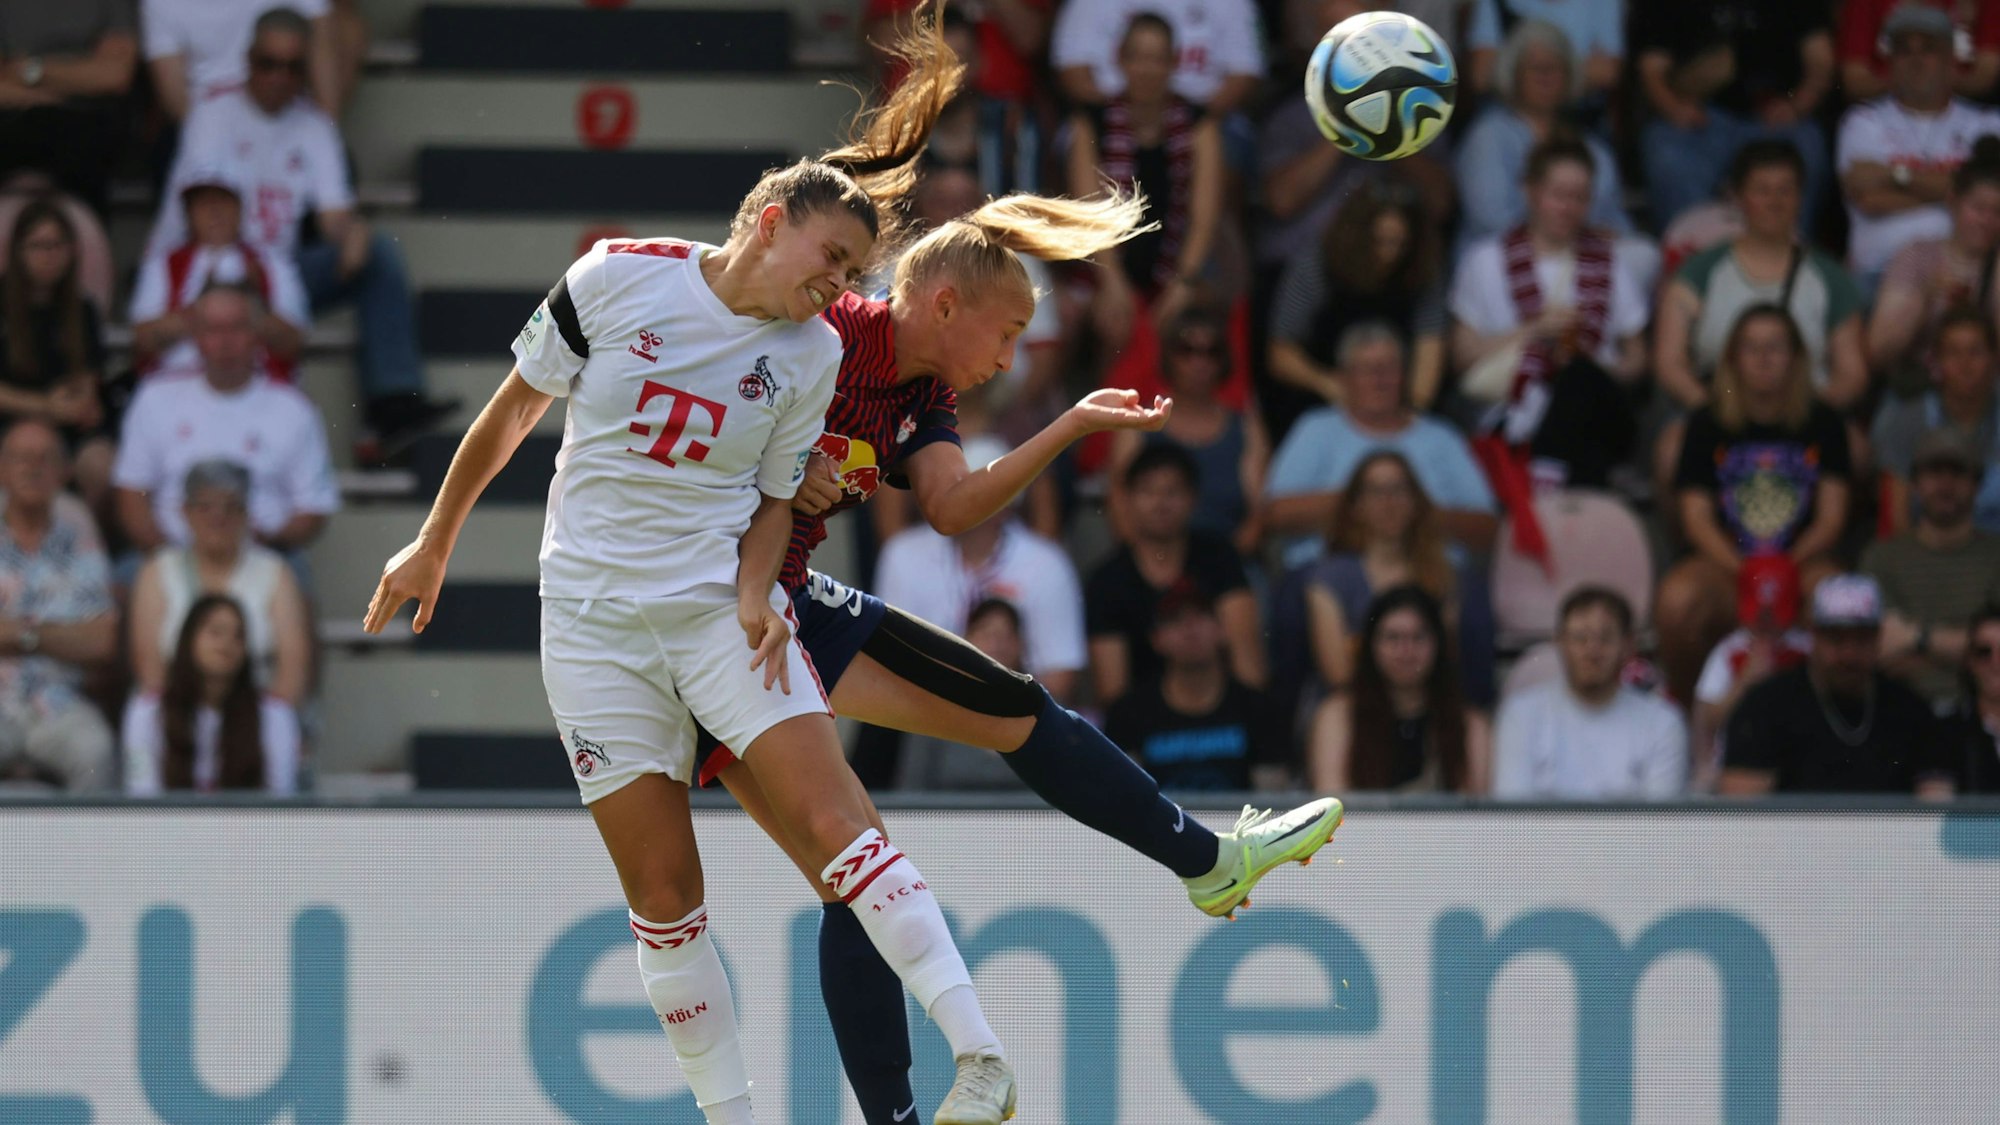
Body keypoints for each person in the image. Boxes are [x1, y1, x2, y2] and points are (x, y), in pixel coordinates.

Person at [365, 20, 1028, 1115]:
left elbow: (772, 503)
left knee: (839, 825)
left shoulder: (811, 357)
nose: (837, 287)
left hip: (720, 615)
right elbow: (511, 409)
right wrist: (434, 538)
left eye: (854, 274)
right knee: (665, 899)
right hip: (587, 629)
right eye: (829, 261)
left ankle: (981, 1058)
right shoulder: (616, 279)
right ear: (769, 225)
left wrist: (751, 595)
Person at [689, 191, 1342, 1122]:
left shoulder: (923, 394)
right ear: (946, 305)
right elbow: (720, 398)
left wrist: (1072, 424)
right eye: (1009, 333)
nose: (1011, 358)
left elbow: (951, 506)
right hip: (717, 609)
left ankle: (1203, 861)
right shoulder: (823, 326)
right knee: (859, 866)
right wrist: (778, 469)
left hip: (780, 600)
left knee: (902, 828)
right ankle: (1205, 861)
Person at [154, 8, 453, 460]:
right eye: (268, 63)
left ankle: (393, 405)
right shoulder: (213, 115)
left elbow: (334, 215)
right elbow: (201, 221)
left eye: (293, 66)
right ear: (249, 59)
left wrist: (353, 229)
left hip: (279, 275)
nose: (279, 76)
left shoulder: (313, 126)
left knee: (377, 251)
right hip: (206, 272)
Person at [1656, 304, 1853, 705]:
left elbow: (1832, 519)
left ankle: (1830, 717)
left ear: (1796, 358)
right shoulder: (1706, 423)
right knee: (1678, 601)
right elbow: (1696, 520)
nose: (1763, 359)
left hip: (1802, 562)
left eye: (1775, 347)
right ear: (1733, 359)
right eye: (1751, 348)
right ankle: (1692, 713)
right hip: (1727, 564)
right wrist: (1749, 572)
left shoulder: (1825, 421)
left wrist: (1782, 568)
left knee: (1837, 603)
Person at [1450, 135, 1651, 489]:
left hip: (1598, 411)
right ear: (1530, 191)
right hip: (1513, 409)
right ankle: (1552, 477)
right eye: (1558, 195)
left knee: (1576, 378)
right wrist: (1532, 332)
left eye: (1580, 198)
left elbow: (1637, 359)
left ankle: (1544, 478)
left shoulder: (1610, 262)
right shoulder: (1485, 261)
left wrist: (1594, 367)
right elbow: (1462, 357)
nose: (1568, 208)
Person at [113, 284, 339, 554]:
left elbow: (313, 509)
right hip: (166, 557)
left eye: (237, 328)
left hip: (266, 559)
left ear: (257, 335)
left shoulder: (295, 409)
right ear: (195, 336)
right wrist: (174, 563)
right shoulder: (154, 399)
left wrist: (259, 551)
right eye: (213, 329)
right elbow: (131, 495)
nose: (225, 341)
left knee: (297, 594)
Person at [1654, 140, 1871, 416]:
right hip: (1719, 410)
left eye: (1785, 191)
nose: (1774, 202)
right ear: (1739, 197)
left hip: (1804, 415)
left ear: (1800, 198)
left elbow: (1851, 373)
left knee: (1856, 450)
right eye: (1762, 191)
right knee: (1671, 450)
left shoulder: (1831, 278)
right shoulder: (1699, 272)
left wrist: (1809, 415)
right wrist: (1710, 410)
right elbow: (1669, 361)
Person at [1264, 322, 1499, 567]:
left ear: (1404, 375)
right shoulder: (1315, 429)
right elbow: (1275, 515)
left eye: (1388, 368)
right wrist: (1360, 502)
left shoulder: (1442, 437)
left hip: (1431, 580)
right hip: (1333, 576)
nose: (1379, 379)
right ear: (1344, 377)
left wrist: (1420, 513)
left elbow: (1489, 529)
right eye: (1367, 369)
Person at [874, 436, 1088, 704]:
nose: (965, 501)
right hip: (924, 716)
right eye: (959, 491)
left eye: (980, 492)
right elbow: (890, 661)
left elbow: (1061, 677)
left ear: (1008, 503)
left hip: (1017, 714)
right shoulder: (902, 555)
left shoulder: (1046, 563)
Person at [1068, 12, 1225, 356]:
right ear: (1120, 60)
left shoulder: (1200, 126)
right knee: (1106, 318)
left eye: (1157, 58)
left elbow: (1203, 218)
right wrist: (1113, 284)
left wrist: (1182, 284)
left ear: (1173, 63)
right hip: (1106, 265)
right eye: (1137, 57)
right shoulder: (1091, 122)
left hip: (1179, 267)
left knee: (1193, 321)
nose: (1146, 69)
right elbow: (1088, 215)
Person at [1296, 450, 1498, 709]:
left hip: (1426, 708)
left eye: (1399, 489)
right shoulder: (1329, 577)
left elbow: (1445, 665)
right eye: (1376, 491)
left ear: (1416, 503)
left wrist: (1361, 648)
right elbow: (1339, 675)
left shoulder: (1445, 575)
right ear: (1356, 506)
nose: (1388, 501)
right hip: (1355, 710)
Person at [1721, 574, 1957, 795]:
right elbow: (1743, 815)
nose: (1849, 654)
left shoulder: (1909, 709)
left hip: (1888, 839)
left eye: (1861, 639)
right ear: (1813, 636)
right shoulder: (1766, 706)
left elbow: (1936, 805)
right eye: (1836, 638)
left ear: (1877, 638)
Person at [1632, 0, 1834, 233]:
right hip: (1701, 118)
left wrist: (1797, 105)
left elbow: (1820, 60)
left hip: (1774, 116)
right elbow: (1652, 71)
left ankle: (1790, 254)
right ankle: (1691, 258)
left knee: (1808, 145)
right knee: (1667, 154)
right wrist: (1675, 109)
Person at [1086, 442, 1264, 705]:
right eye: (1148, 491)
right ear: (1126, 500)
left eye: (1172, 491)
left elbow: (1249, 667)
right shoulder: (1106, 582)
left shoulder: (1219, 558)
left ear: (1193, 498)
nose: (1160, 503)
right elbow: (1113, 695)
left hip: (1225, 716)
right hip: (1143, 726)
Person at [1838, 4, 2000, 287]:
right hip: (1878, 272)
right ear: (1890, 63)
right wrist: (1958, 193)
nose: (1916, 60)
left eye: (1928, 49)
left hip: (1968, 274)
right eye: (1904, 50)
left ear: (1951, 59)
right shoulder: (1862, 121)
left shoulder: (1987, 124)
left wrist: (1894, 175)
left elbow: (1990, 200)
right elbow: (1868, 199)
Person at [127, 459, 312, 704]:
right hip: (174, 718)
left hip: (254, 718)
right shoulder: (157, 571)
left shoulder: (276, 572)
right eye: (205, 506)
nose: (218, 517)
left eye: (230, 507)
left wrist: (269, 722)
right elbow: (149, 667)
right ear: (185, 511)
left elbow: (292, 668)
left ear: (246, 513)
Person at [0, 419, 115, 791]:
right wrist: (61, 637)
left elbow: (101, 640)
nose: (32, 467)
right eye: (20, 457)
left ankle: (89, 851)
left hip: (59, 705)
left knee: (96, 752)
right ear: (1, 468)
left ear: (65, 472)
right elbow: (82, 637)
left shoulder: (79, 543)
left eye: (45, 458)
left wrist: (22, 634)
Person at [1493, 586, 1687, 799]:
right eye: (1579, 638)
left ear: (1628, 645)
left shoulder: (1663, 722)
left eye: (1605, 638)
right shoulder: (1521, 716)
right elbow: (1513, 819)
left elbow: (1659, 826)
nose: (1592, 651)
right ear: (1559, 642)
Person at [1455, 20, 1633, 251]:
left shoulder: (1593, 148)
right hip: (1508, 262)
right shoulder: (1487, 138)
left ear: (1570, 77)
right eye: (1535, 67)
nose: (1545, 76)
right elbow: (1491, 223)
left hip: (1584, 264)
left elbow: (1618, 224)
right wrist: (1566, 240)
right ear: (1513, 75)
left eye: (1555, 67)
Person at [1270, 181, 1448, 412]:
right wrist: (1330, 386)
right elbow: (1280, 353)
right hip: (1322, 405)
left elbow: (1426, 370)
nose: (1388, 254)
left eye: (1399, 244)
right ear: (1355, 235)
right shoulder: (1319, 264)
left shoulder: (1423, 270)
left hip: (1395, 408)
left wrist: (1402, 418)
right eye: (1379, 241)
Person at [1108, 303, 1270, 551]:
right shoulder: (1137, 422)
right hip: (1149, 563)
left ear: (1223, 359)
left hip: (1227, 564)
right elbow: (1119, 502)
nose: (1199, 362)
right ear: (1168, 357)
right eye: (1187, 350)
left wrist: (1220, 569)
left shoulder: (1246, 427)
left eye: (1211, 352)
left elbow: (1258, 514)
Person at [1862, 427, 2000, 707]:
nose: (1946, 484)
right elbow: (1876, 649)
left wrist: (1918, 639)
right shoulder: (1882, 558)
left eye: (1958, 473)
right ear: (1914, 483)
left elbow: (1995, 654)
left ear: (1977, 484)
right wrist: (1962, 650)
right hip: (1900, 713)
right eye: (1935, 472)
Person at [128, 165, 309, 379]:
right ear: (189, 213)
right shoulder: (162, 264)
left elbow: (293, 344)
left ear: (240, 207)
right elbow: (143, 340)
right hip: (176, 386)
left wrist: (255, 305)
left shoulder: (272, 265)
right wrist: (208, 311)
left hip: (257, 387)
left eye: (222, 200)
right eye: (203, 203)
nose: (214, 211)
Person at [1311, 584, 1491, 794]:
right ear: (1371, 646)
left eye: (1418, 637)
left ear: (1439, 646)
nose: (1406, 651)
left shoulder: (1471, 725)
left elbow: (1475, 814)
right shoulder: (1338, 717)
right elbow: (1332, 806)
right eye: (1392, 638)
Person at [1104, 585, 1286, 792]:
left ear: (1222, 629)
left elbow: (1272, 804)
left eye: (1201, 616)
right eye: (1175, 619)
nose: (1190, 629)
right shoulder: (1127, 714)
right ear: (1156, 639)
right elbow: (1125, 798)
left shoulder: (1259, 710)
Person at [123, 594, 301, 795]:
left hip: (246, 824)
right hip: (169, 824)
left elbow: (280, 799)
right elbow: (142, 795)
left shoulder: (275, 714)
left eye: (238, 636)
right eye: (216, 632)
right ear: (188, 639)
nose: (227, 643)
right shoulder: (146, 711)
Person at [0, 197, 111, 504]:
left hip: (67, 426)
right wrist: (44, 406)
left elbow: (89, 378)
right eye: (38, 246)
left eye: (57, 245)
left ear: (71, 250)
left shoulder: (83, 308)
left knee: (100, 464)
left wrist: (81, 401)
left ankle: (86, 545)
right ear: (18, 251)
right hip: (8, 423)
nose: (48, 256)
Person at [1868, 143, 2000, 397]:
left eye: (1998, 212)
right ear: (1953, 201)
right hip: (1921, 391)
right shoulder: (1917, 257)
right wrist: (1924, 297)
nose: (1987, 221)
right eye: (1978, 208)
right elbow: (1878, 354)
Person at [1689, 554, 1815, 791]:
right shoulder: (1729, 651)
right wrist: (1744, 682)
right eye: (1759, 615)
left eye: (1774, 615)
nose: (1766, 624)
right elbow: (1705, 719)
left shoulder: (1807, 649)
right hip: (1736, 767)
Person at [0, 0, 138, 214]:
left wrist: (29, 70)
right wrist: (74, 80)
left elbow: (115, 76)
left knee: (81, 139)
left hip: (88, 122)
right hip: (11, 118)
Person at [1873, 308, 2000, 532]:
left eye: (1975, 352)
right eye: (1953, 353)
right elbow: (1896, 518)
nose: (1965, 364)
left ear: (1994, 359)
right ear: (1937, 361)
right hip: (1924, 554)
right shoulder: (1908, 418)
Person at [892, 597, 1035, 791]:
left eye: (1006, 634)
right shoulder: (931, 715)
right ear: (966, 641)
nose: (997, 643)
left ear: (1021, 645)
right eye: (986, 632)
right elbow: (911, 791)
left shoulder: (1042, 712)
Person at [141, 0, 347, 121]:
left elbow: (322, 48)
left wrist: (324, 134)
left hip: (288, 115)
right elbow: (174, 97)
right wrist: (213, 138)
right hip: (207, 124)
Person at [1052, 0, 1264, 115]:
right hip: (1109, 118)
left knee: (1223, 140)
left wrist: (1191, 121)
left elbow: (1244, 74)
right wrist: (1119, 120)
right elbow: (1074, 74)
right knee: (1080, 130)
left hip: (1204, 116)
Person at [1839, 0, 2000, 102]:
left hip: (1965, 109)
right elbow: (1855, 80)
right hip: (1886, 110)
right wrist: (1917, 83)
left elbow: (1984, 76)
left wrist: (1924, 81)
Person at [1944, 605, 2000, 791]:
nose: (1996, 662)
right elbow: (1935, 808)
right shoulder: (1945, 732)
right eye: (1984, 652)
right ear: (1970, 661)